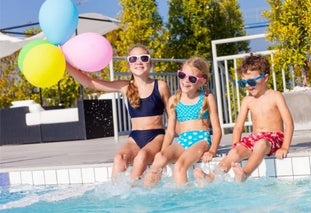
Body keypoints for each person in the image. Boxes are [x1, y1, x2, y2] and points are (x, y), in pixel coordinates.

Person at [66, 44, 171, 181]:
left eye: (144, 58)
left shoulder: (160, 86)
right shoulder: (125, 87)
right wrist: (65, 65)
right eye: (133, 59)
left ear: (150, 63)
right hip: (135, 138)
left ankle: (132, 192)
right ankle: (117, 196)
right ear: (128, 65)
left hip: (156, 137)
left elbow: (172, 117)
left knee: (142, 156)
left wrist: (171, 145)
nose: (138, 62)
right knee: (119, 158)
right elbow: (90, 83)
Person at [194, 53, 294, 184]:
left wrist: (285, 147)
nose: (248, 86)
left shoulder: (275, 96)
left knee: (261, 144)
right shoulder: (247, 100)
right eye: (243, 83)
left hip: (274, 138)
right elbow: (238, 127)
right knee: (234, 153)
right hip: (255, 137)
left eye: (252, 81)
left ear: (265, 78)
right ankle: (211, 177)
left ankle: (245, 173)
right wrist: (236, 146)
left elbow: (289, 123)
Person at [143, 57, 222, 187]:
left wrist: (212, 150)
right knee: (160, 158)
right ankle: (147, 193)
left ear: (201, 81)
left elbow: (217, 129)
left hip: (201, 140)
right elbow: (170, 131)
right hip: (182, 141)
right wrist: (162, 151)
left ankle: (184, 201)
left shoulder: (207, 98)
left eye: (191, 78)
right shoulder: (174, 100)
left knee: (179, 166)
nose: (185, 80)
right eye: (182, 75)